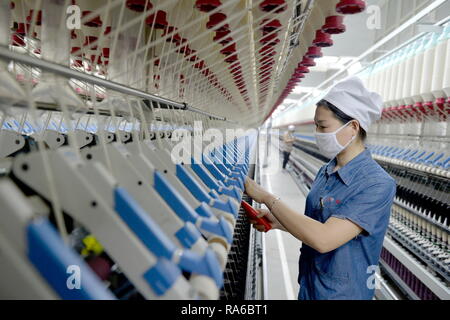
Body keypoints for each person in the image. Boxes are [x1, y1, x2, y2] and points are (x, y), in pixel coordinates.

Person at [244, 77, 396, 300]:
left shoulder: (376, 184)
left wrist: (267, 198)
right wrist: (279, 221)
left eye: (323, 126)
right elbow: (319, 225)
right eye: (316, 125)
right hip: (310, 286)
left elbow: (324, 238)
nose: (317, 132)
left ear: (353, 127)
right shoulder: (326, 171)